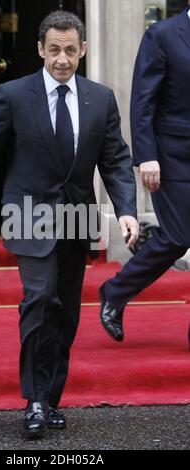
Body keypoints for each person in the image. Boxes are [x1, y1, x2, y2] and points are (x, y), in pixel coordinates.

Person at [0, 10, 138, 439]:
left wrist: (126, 209)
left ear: (83, 51)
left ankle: (50, 397)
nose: (62, 59)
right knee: (39, 299)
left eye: (70, 50)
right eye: (54, 50)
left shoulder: (101, 98)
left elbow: (115, 161)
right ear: (41, 49)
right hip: (28, 214)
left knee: (67, 313)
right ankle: (35, 400)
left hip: (76, 219)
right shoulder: (14, 94)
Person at [99, 6, 190, 343]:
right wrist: (146, 156)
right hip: (171, 157)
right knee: (178, 237)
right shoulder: (163, 34)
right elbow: (143, 100)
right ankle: (115, 291)